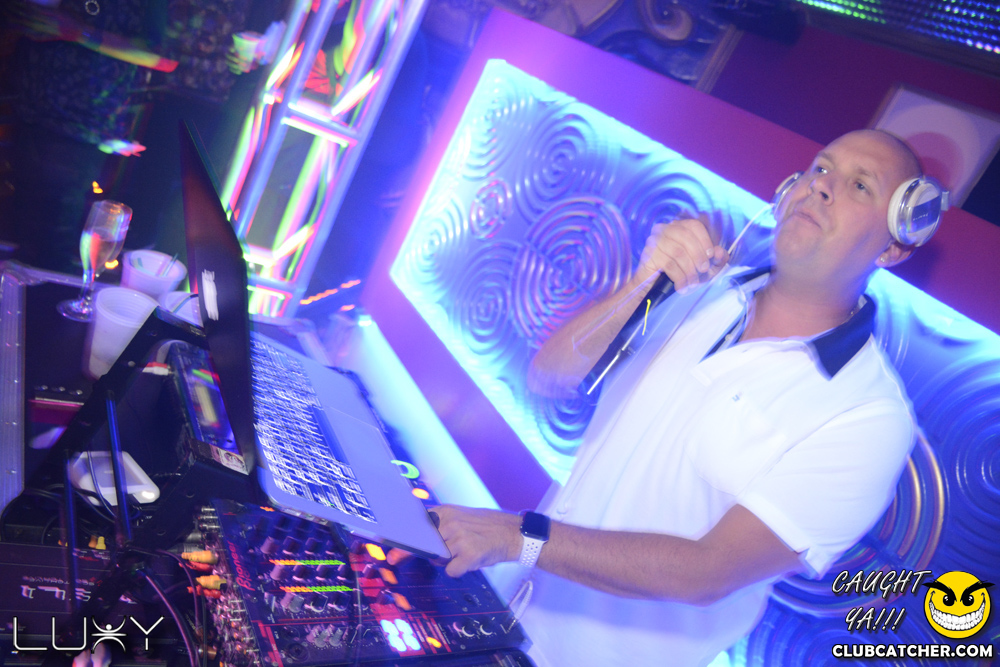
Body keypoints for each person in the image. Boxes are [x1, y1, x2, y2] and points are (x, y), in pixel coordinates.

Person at [389, 129, 924, 666]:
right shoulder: (705, 287)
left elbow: (707, 571)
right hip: (506, 620)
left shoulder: (869, 415)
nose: (822, 187)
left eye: (859, 186)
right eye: (821, 168)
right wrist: (644, 282)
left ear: (895, 245)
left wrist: (518, 537)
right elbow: (550, 374)